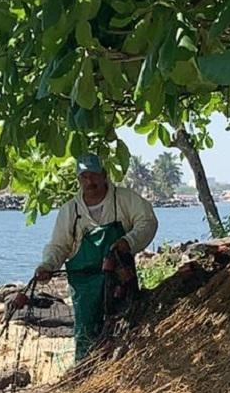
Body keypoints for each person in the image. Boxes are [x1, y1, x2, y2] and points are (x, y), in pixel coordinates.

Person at [34, 154, 158, 361]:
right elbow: (59, 245)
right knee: (86, 332)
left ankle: (123, 367)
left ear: (104, 175)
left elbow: (147, 222)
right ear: (79, 180)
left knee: (123, 325)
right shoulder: (70, 210)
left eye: (94, 176)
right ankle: (85, 371)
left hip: (119, 278)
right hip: (84, 285)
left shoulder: (125, 199)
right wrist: (47, 265)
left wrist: (128, 242)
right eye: (84, 177)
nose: (90, 182)